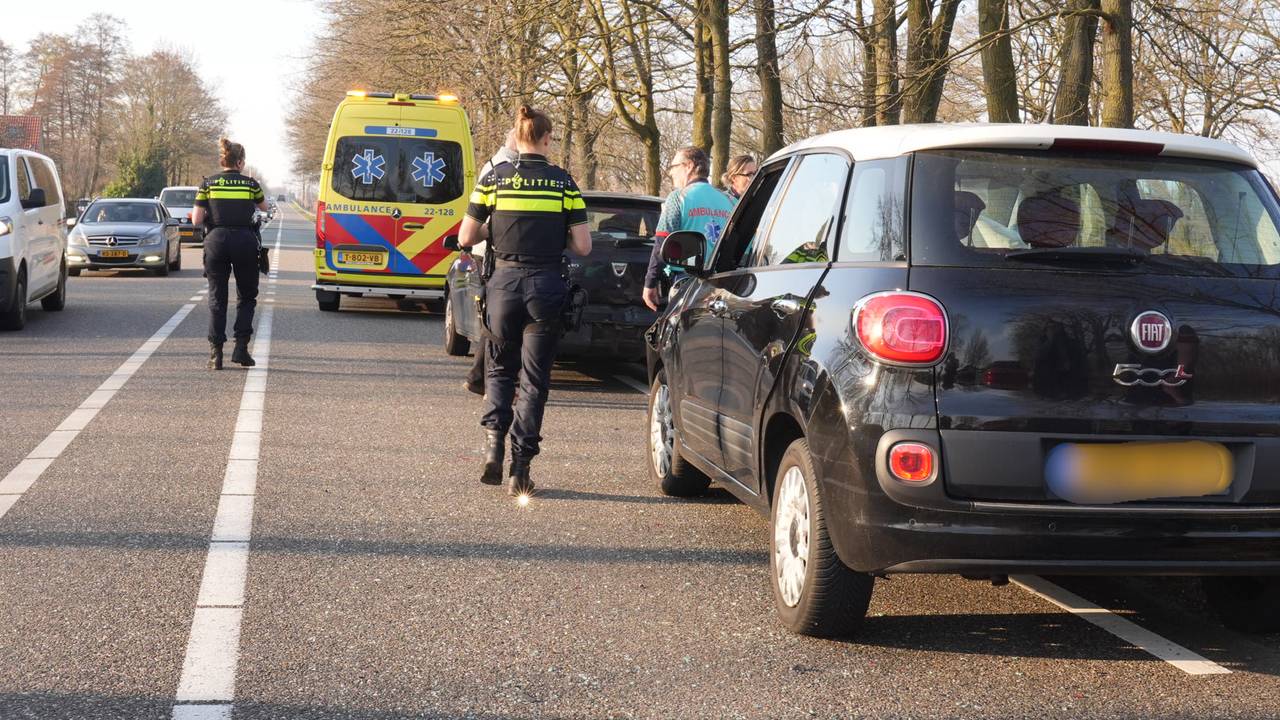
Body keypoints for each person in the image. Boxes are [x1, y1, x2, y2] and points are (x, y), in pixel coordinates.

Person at [458, 105, 592, 496]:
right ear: (548, 140)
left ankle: (493, 449)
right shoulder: (564, 183)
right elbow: (582, 245)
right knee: (534, 381)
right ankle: (521, 467)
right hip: (547, 287)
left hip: (503, 286)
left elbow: (467, 237)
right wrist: (555, 234)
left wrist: (496, 228)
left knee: (499, 370)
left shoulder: (495, 179)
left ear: (516, 138)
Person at [192, 138, 270, 370]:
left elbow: (196, 219)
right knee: (246, 297)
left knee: (217, 298)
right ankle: (241, 349)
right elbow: (264, 208)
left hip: (216, 241)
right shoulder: (250, 184)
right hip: (245, 241)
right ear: (240, 162)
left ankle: (216, 354)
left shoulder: (208, 184)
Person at [642, 146, 734, 311]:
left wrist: (650, 282)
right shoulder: (729, 201)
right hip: (724, 287)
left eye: (674, 167)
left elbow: (662, 242)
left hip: (688, 286)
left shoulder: (678, 198)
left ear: (689, 166)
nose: (671, 173)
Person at [464, 130, 521, 396]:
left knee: (493, 318)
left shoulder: (495, 165)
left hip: (490, 251)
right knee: (495, 321)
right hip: (492, 252)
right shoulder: (503, 170)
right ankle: (487, 380)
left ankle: (480, 377)